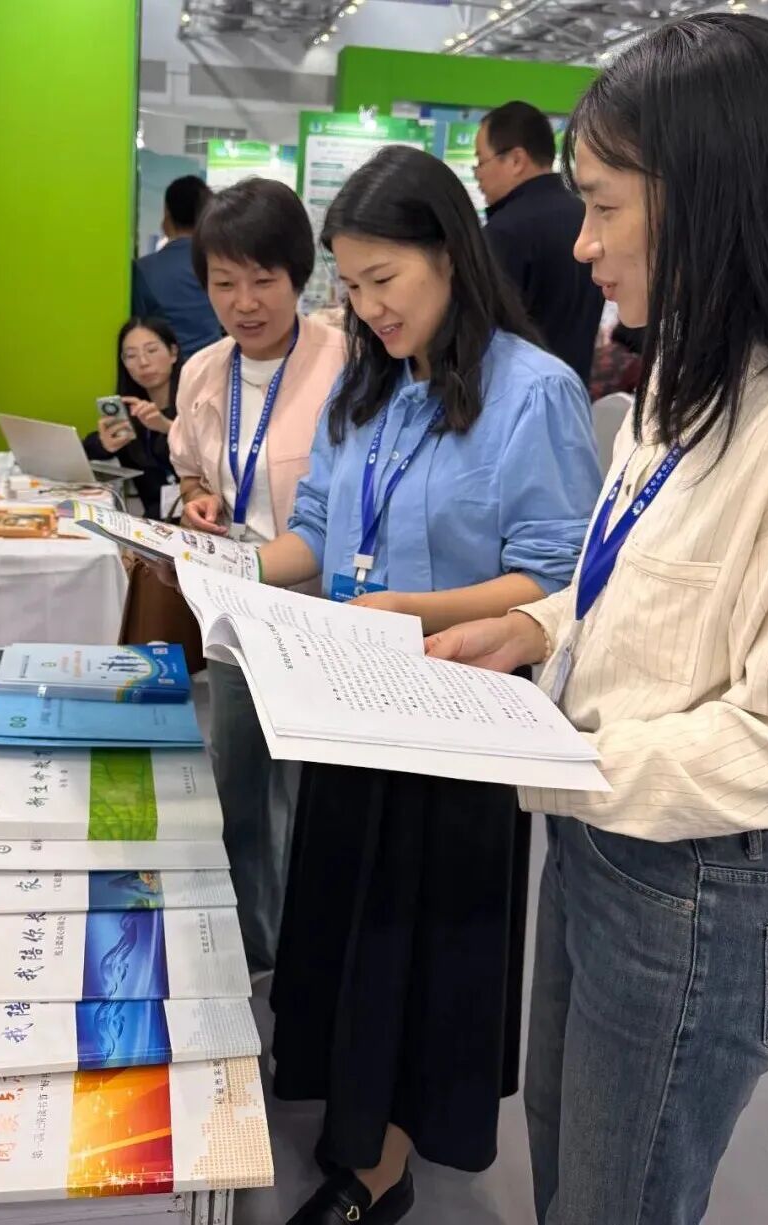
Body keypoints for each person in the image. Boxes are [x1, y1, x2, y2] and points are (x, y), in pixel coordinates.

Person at [428, 15, 768, 1224]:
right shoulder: (684, 374)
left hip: (698, 885)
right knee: (566, 1162)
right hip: (600, 830)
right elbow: (636, 573)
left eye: (603, 206)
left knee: (617, 1199)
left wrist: (548, 759)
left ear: (713, 198)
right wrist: (543, 630)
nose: (580, 244)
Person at [255, 145, 601, 1225]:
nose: (368, 308)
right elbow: (318, 530)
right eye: (352, 286)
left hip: (455, 726)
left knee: (413, 955)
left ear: (450, 254)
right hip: (347, 709)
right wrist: (218, 570)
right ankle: (350, 1121)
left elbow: (557, 575)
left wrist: (410, 611)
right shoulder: (369, 384)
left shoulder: (533, 392)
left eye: (385, 280)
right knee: (346, 927)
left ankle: (379, 1167)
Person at [168, 177, 345, 971]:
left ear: (298, 276)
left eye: (263, 280)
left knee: (315, 800)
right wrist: (197, 498)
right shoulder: (204, 372)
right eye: (224, 282)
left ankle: (315, 964)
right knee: (238, 788)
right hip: (238, 616)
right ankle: (252, 954)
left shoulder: (348, 363)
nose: (244, 303)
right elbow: (191, 467)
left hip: (325, 618)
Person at [475, 101, 603, 385]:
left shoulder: (505, 231)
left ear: (516, 160)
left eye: (481, 161)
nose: (478, 174)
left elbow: (484, 334)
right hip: (574, 389)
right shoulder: (586, 215)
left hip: (515, 396)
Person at [84, 317, 182, 519]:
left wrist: (167, 427)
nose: (143, 362)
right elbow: (84, 451)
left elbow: (210, 456)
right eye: (131, 355)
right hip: (151, 526)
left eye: (152, 350)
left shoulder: (200, 403)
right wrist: (104, 445)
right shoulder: (133, 412)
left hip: (198, 522)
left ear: (173, 353)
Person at [132, 176, 222, 362]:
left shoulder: (143, 270)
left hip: (167, 371)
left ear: (167, 213)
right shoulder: (221, 265)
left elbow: (136, 328)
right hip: (216, 365)